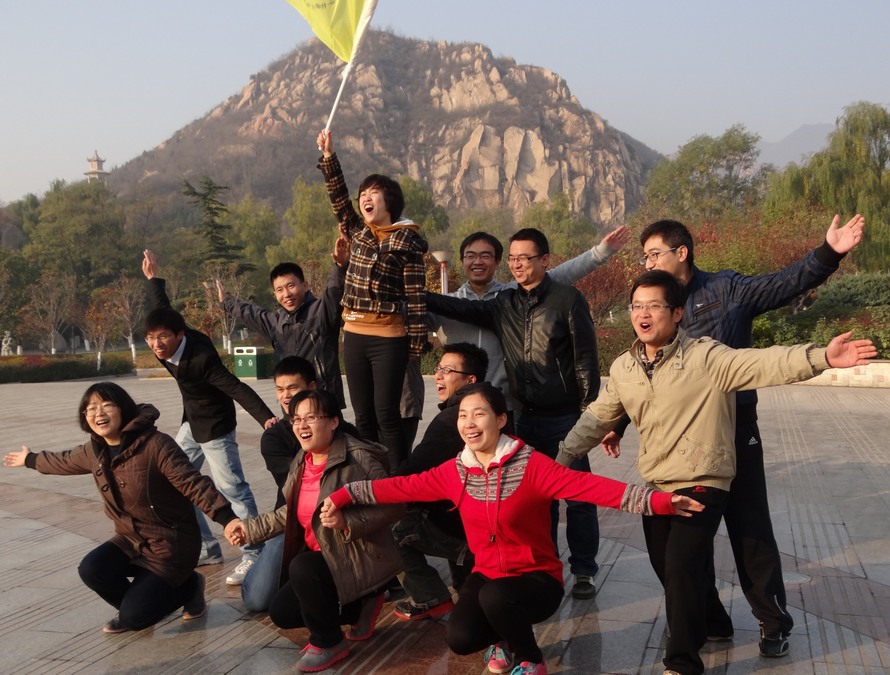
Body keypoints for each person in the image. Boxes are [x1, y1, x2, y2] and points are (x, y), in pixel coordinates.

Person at [557, 269, 877, 675]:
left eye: (654, 305)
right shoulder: (625, 368)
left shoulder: (706, 357)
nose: (643, 314)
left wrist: (822, 357)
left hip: (704, 479)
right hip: (657, 484)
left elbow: (763, 363)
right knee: (666, 566)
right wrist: (558, 460)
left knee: (680, 566)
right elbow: (597, 418)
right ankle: (714, 623)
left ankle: (682, 662)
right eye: (636, 306)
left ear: (677, 313)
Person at [322, 382, 705, 675]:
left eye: (479, 414)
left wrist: (660, 501)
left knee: (495, 598)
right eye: (462, 415)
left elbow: (592, 488)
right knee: (460, 637)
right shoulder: (456, 472)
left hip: (537, 579)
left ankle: (531, 659)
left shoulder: (532, 466)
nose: (469, 423)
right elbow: (400, 487)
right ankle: (504, 639)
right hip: (489, 575)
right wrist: (345, 495)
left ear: (501, 419)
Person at [426, 228, 603, 599]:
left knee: (577, 495)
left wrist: (589, 414)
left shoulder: (567, 299)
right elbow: (461, 308)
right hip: (524, 416)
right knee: (537, 496)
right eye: (514, 259)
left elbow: (586, 359)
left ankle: (584, 569)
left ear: (545, 260)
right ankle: (547, 565)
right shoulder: (504, 303)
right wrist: (417, 295)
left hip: (565, 416)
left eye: (526, 258)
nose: (518, 265)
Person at [2, 382, 241, 634]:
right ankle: (140, 605)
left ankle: (188, 588)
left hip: (171, 545)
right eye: (91, 408)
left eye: (107, 405)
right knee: (91, 569)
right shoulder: (95, 450)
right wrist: (30, 459)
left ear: (123, 408)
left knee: (135, 618)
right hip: (131, 540)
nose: (98, 413)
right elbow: (65, 460)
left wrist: (227, 518)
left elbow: (193, 483)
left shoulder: (156, 444)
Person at [225, 390, 403, 673]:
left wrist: (348, 522)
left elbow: (395, 504)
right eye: (296, 419)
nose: (302, 425)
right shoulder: (302, 460)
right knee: (282, 612)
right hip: (326, 560)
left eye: (311, 417)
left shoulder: (358, 457)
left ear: (333, 421)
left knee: (302, 566)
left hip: (358, 557)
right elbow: (290, 512)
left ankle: (329, 642)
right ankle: (360, 607)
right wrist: (250, 529)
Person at [142, 249, 278, 586]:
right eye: (151, 339)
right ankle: (206, 548)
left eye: (163, 338)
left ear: (179, 336)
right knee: (175, 481)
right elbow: (162, 308)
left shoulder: (202, 358)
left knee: (232, 489)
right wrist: (153, 279)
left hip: (215, 426)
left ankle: (254, 553)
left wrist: (267, 419)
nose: (157, 345)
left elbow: (235, 387)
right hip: (191, 422)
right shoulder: (168, 334)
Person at [317, 128, 431, 471]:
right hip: (354, 334)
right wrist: (329, 157)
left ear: (390, 202)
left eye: (374, 193)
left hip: (389, 337)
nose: (365, 198)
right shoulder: (359, 233)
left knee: (387, 414)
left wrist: (415, 344)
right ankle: (369, 475)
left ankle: (398, 484)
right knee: (363, 416)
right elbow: (339, 198)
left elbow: (417, 298)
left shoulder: (407, 243)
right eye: (363, 194)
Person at [434, 226, 629, 411]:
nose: (477, 261)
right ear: (462, 261)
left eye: (485, 256)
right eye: (470, 256)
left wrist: (601, 252)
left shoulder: (511, 297)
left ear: (498, 261)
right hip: (459, 406)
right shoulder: (445, 305)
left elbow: (559, 275)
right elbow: (416, 324)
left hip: (507, 405)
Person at [242, 356, 359, 613]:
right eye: (280, 389)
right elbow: (300, 485)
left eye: (293, 388)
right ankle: (263, 562)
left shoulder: (344, 431)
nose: (285, 396)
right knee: (256, 600)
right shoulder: (274, 437)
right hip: (291, 520)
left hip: (335, 519)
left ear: (312, 387)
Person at [391, 343, 498, 621]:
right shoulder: (495, 410)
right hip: (487, 526)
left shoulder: (453, 419)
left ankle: (430, 597)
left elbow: (413, 471)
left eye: (447, 370)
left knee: (387, 527)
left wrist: (372, 491)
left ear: (470, 380)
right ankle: (466, 586)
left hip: (464, 530)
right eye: (438, 369)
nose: (438, 375)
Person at [217, 237, 349, 407]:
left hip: (323, 402)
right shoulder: (276, 323)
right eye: (280, 290)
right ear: (275, 294)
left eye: (291, 286)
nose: (286, 294)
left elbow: (334, 291)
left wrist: (339, 267)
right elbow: (250, 314)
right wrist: (226, 302)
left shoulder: (322, 313)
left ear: (305, 286)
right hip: (291, 405)